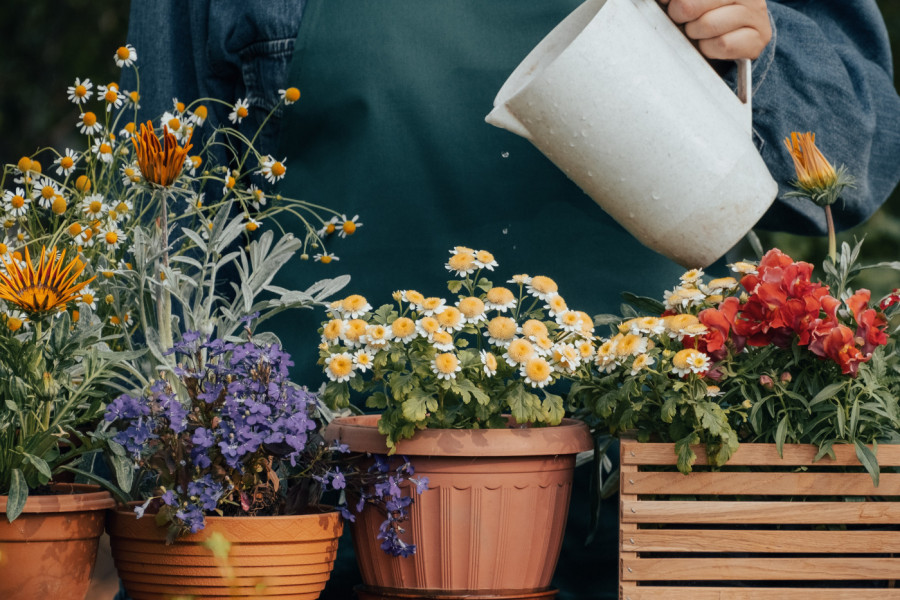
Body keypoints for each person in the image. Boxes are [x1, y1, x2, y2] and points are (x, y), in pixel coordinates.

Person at [121, 1, 900, 598]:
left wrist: (756, 45)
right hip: (315, 537)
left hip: (659, 534)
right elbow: (168, 242)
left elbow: (856, 148)